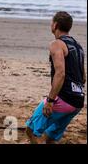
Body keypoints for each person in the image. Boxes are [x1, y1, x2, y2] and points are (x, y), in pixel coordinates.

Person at [26, 11, 86, 144]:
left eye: (52, 22)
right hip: (78, 101)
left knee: (31, 130)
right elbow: (83, 78)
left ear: (56, 25)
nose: (51, 24)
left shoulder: (56, 44)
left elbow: (60, 73)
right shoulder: (79, 47)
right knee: (51, 137)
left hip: (63, 99)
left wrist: (50, 101)